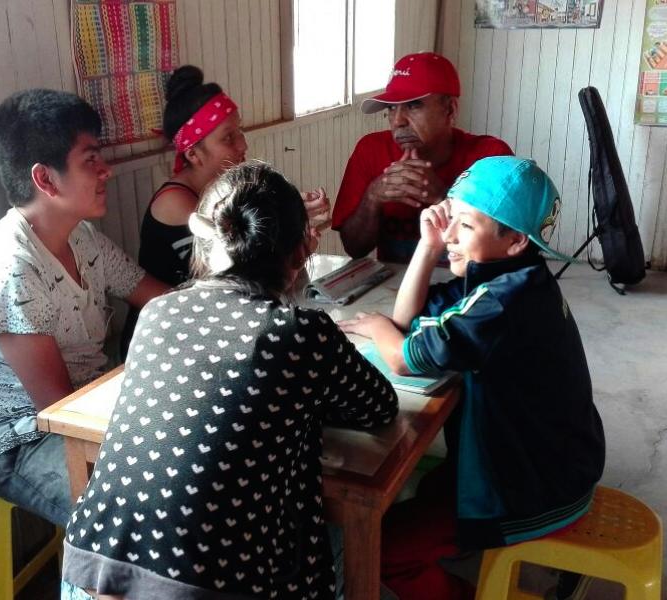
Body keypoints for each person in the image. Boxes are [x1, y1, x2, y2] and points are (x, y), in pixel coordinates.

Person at [62, 162, 399, 599]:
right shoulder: (301, 334)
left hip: (90, 577)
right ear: (300, 254)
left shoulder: (158, 313)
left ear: (207, 244)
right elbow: (379, 406)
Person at [338, 156, 605, 600]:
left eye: (465, 225)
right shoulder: (506, 278)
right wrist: (426, 247)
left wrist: (375, 326)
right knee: (420, 492)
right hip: (553, 465)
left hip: (532, 490)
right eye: (450, 220)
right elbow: (408, 318)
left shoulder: (503, 303)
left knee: (384, 548)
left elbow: (405, 356)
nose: (450, 237)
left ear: (516, 240)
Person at [0, 89, 170, 527]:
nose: (107, 170)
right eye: (91, 160)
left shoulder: (81, 237)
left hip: (89, 407)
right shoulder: (9, 270)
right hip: (23, 443)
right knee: (134, 517)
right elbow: (62, 411)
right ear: (45, 180)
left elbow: (159, 299)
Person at [121, 65, 331, 356]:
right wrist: (291, 232)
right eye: (228, 137)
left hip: (209, 326)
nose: (243, 144)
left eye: (240, 131)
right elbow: (247, 269)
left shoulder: (224, 193)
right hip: (167, 341)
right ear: (193, 153)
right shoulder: (177, 203)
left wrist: (293, 219)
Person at [331, 52, 513, 263]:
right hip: (396, 289)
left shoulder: (489, 157)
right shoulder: (371, 150)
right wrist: (373, 198)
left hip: (467, 287)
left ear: (450, 110)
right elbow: (355, 249)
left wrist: (444, 199)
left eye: (413, 105)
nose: (398, 121)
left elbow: (506, 246)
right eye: (391, 108)